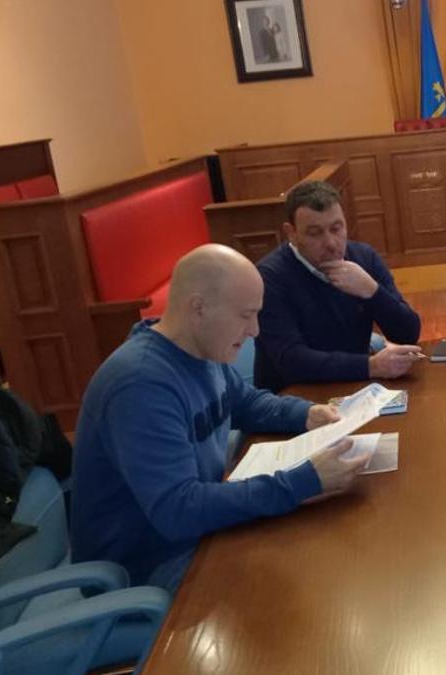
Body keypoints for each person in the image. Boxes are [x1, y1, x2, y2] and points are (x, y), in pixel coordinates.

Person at [71, 244, 370, 593]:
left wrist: (307, 414)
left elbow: (245, 403)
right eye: (245, 315)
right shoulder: (139, 385)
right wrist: (302, 482)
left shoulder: (200, 347)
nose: (255, 330)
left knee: (321, 550)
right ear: (198, 308)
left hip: (196, 532)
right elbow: (178, 510)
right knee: (297, 575)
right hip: (146, 567)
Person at [255, 180, 422, 389]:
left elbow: (408, 334)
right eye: (315, 233)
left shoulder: (364, 257)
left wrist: (372, 292)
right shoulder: (269, 277)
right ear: (292, 233)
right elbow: (291, 361)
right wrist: (370, 366)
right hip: (293, 400)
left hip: (356, 390)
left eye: (336, 228)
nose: (331, 243)